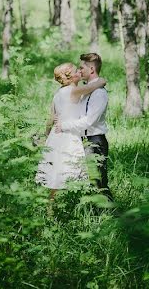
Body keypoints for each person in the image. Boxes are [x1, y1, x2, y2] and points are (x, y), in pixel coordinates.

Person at [35, 63, 107, 200]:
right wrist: (102, 80)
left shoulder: (58, 93)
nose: (79, 72)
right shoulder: (74, 91)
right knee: (70, 171)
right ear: (71, 77)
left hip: (55, 136)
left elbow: (51, 118)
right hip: (68, 136)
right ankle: (77, 204)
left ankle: (51, 208)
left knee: (56, 173)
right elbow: (95, 85)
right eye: (76, 70)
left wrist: (46, 136)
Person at [54, 53, 112, 201]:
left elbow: (88, 122)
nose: (79, 71)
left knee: (99, 182)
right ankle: (96, 213)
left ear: (91, 69)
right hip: (84, 140)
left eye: (81, 68)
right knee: (90, 181)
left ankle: (110, 214)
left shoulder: (99, 93)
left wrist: (64, 125)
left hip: (95, 141)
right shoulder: (87, 90)